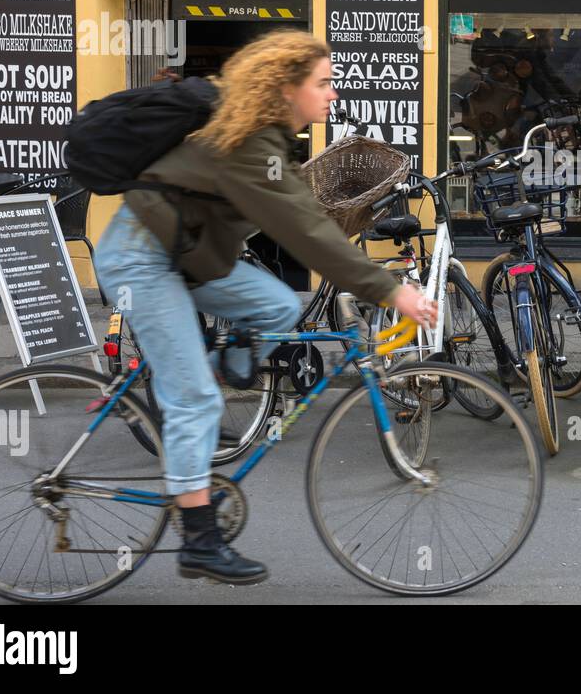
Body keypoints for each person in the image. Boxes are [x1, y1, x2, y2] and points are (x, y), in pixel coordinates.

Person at [93, 30, 437, 585]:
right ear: (285, 86)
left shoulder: (269, 139)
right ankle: (200, 540)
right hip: (143, 260)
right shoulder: (250, 142)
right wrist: (391, 290)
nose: (332, 95)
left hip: (188, 255)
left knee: (278, 302)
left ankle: (224, 352)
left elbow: (299, 208)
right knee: (196, 401)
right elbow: (301, 228)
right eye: (322, 84)